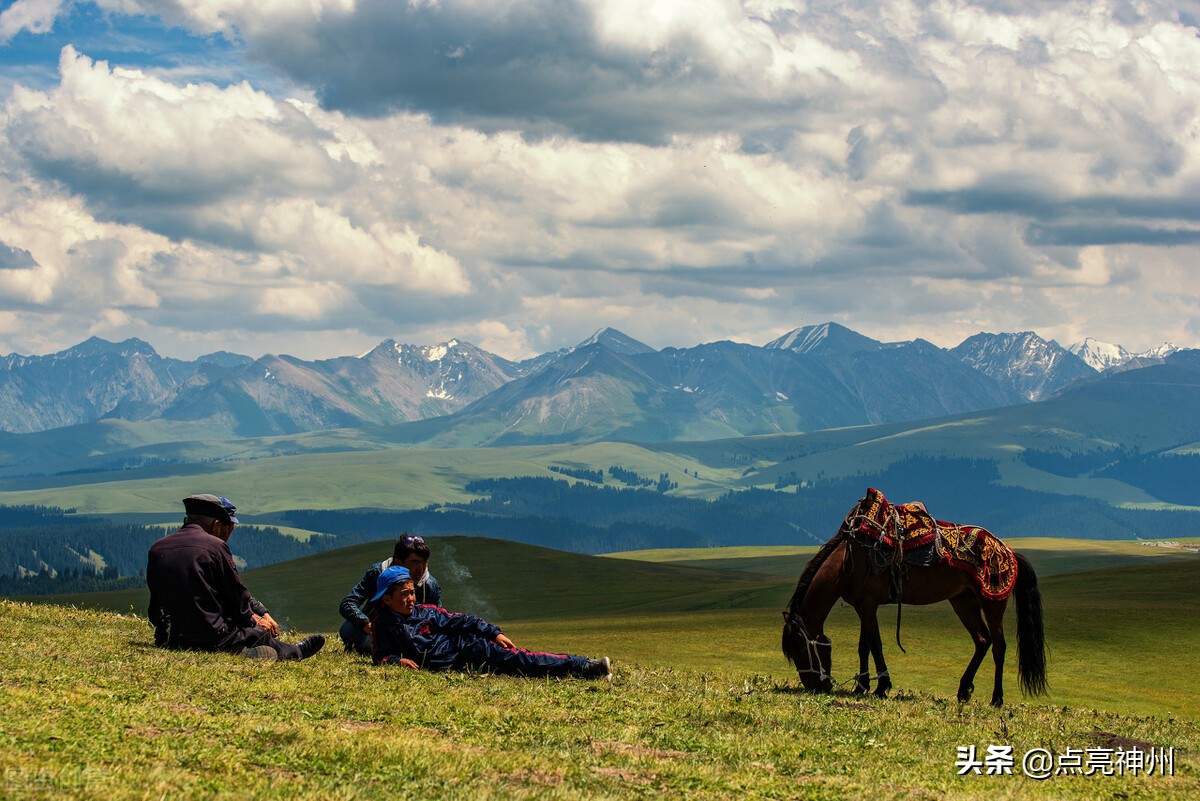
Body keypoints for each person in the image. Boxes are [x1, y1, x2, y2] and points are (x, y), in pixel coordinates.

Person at [146, 494, 325, 662]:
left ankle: (254, 650)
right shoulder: (214, 547)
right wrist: (254, 621)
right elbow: (236, 597)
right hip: (211, 637)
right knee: (256, 633)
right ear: (216, 525)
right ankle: (293, 652)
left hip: (168, 637)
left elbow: (157, 598)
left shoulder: (157, 548)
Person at [369, 565, 612, 680]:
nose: (411, 598)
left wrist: (493, 633)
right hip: (458, 662)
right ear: (387, 598)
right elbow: (380, 655)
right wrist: (395, 661)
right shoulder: (382, 623)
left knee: (522, 659)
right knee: (518, 667)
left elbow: (464, 620)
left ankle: (586, 666)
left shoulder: (427, 612)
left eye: (412, 592)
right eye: (404, 594)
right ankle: (585, 669)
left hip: (470, 647)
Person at [338, 533, 442, 654]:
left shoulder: (430, 585)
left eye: (424, 562)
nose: (421, 569)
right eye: (414, 562)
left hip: (409, 634)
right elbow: (347, 603)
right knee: (348, 629)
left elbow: (438, 619)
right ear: (398, 562)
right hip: (372, 629)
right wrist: (367, 625)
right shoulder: (377, 573)